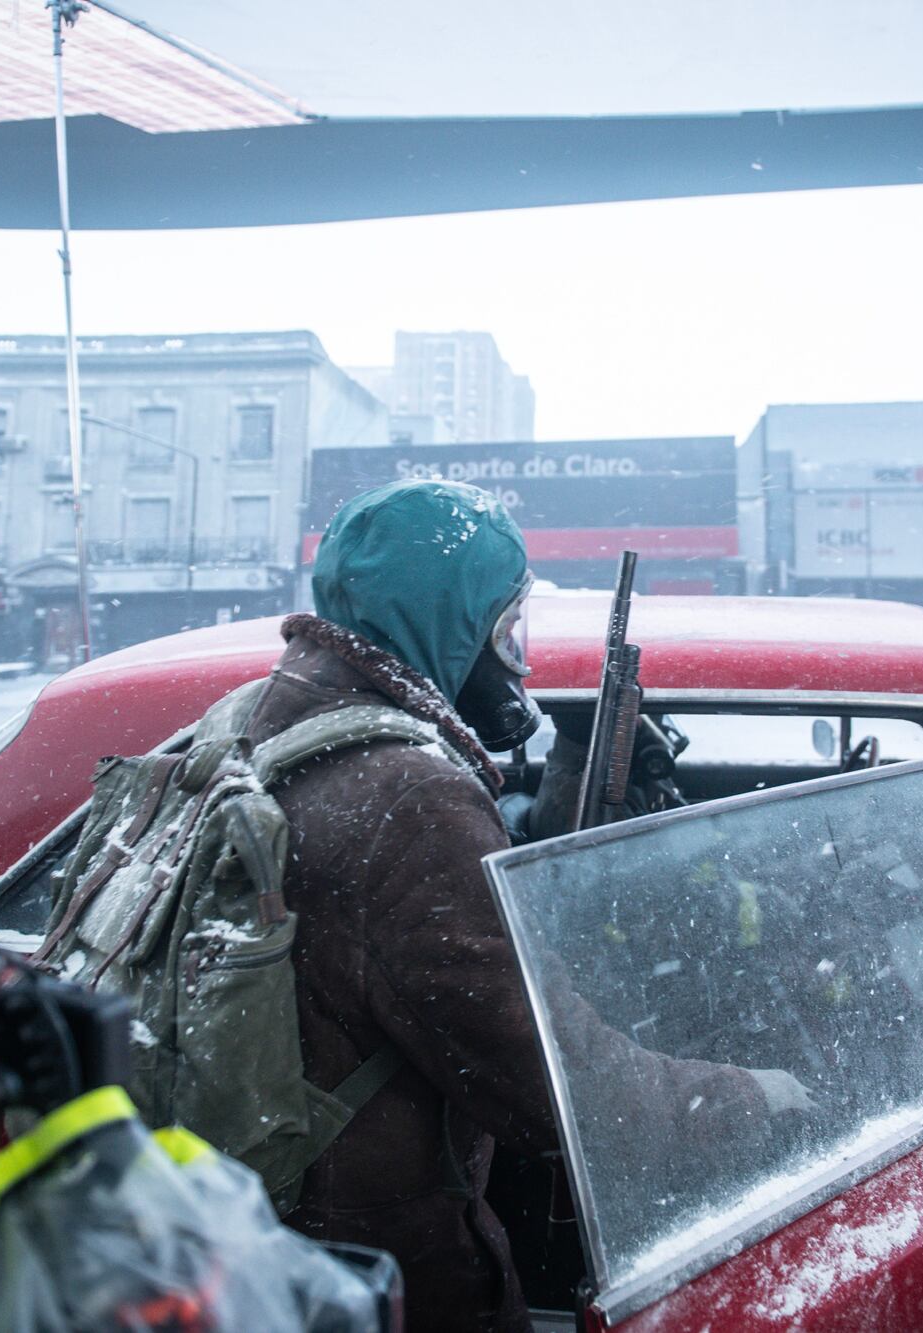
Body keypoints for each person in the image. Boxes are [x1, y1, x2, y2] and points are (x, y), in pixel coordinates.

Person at [243, 480, 799, 1332]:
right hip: (381, 1281)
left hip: (263, 1249)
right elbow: (565, 1093)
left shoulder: (260, 721)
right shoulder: (409, 799)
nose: (518, 660)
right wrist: (749, 1097)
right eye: (504, 628)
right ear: (447, 621)